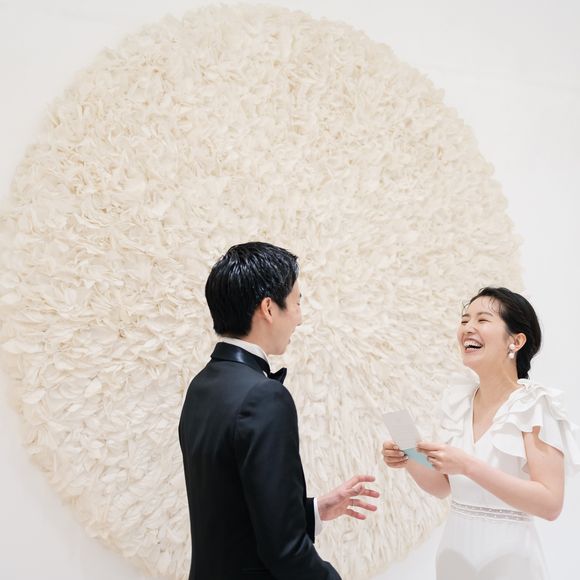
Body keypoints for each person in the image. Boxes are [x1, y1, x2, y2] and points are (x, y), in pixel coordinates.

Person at [179, 242, 379, 580]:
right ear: (269, 308)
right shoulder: (263, 396)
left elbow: (231, 516)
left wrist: (314, 510)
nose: (299, 317)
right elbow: (284, 551)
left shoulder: (200, 386)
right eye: (297, 302)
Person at [382, 287, 580, 580]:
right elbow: (443, 487)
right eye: (465, 320)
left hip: (510, 563)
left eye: (482, 320)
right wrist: (408, 456)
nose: (468, 328)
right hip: (453, 557)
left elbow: (550, 504)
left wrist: (468, 466)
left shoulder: (536, 406)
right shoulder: (459, 401)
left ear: (516, 341)